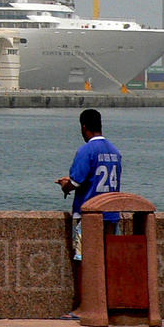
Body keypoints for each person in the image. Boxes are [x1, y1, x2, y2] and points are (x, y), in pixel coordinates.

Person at [56, 108, 122, 311]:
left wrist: (65, 185)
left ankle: (84, 307)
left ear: (84, 127)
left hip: (88, 215)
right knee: (107, 261)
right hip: (111, 214)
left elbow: (76, 181)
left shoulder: (86, 150)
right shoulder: (115, 151)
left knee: (83, 261)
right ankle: (108, 305)